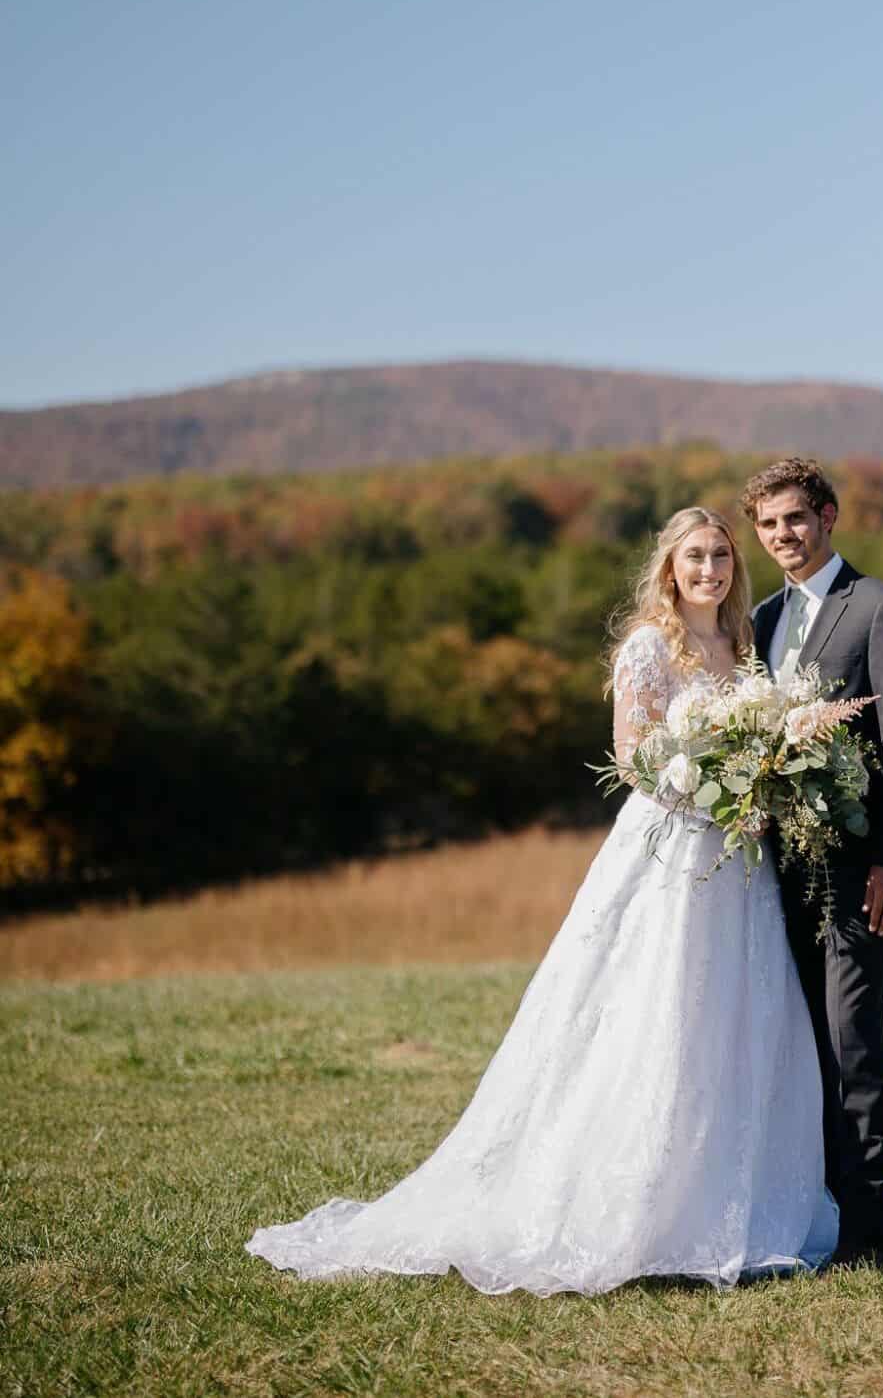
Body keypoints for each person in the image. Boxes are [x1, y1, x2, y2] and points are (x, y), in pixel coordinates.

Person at [245, 506, 837, 1294]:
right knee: (656, 1012)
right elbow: (633, 758)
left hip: (738, 863)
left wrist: (755, 791)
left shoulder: (742, 646)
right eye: (695, 556)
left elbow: (754, 740)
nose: (709, 570)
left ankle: (727, 1204)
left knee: (734, 1017)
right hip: (669, 847)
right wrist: (710, 800)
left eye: (721, 556)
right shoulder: (645, 647)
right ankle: (628, 1207)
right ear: (668, 567)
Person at [742, 458, 883, 1265]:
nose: (783, 534)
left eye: (795, 517)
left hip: (854, 869)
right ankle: (808, 1218)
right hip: (767, 873)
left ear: (827, 515)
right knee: (794, 1046)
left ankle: (866, 1233)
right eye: (767, 524)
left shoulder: (880, 607)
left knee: (853, 1042)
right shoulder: (757, 618)